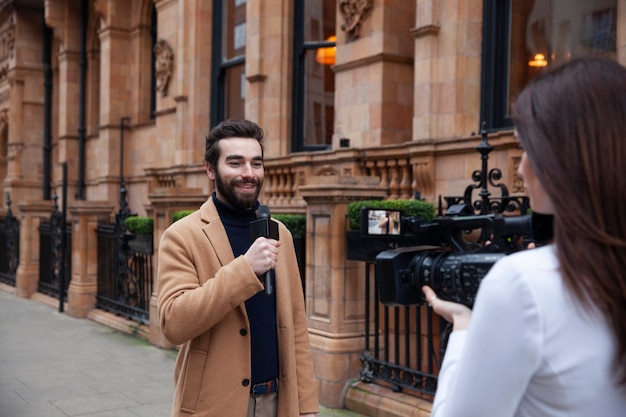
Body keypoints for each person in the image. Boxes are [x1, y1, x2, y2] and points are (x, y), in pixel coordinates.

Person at [422, 56, 626, 416]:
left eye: (527, 148)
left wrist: (464, 329)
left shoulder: (524, 284)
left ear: (564, 157)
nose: (520, 167)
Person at [157, 119, 319, 417]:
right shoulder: (182, 235)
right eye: (236, 163)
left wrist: (306, 404)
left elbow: (295, 324)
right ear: (210, 169)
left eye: (256, 164)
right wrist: (245, 269)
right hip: (214, 403)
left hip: (277, 401)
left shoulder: (278, 232)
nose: (249, 173)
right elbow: (173, 324)